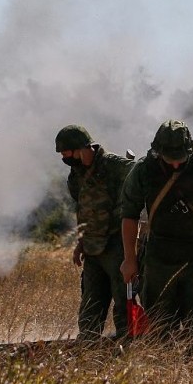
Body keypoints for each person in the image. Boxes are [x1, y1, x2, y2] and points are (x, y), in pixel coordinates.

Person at [119, 119, 193, 332]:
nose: (175, 165)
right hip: (158, 258)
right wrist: (129, 259)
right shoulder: (143, 171)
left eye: (180, 159)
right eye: (169, 159)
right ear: (157, 151)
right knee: (159, 329)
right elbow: (129, 215)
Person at [55, 124, 134, 340]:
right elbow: (82, 210)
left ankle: (129, 351)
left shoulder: (115, 166)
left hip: (116, 246)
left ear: (81, 148)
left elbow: (139, 186)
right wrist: (80, 243)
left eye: (66, 152)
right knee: (91, 305)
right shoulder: (75, 176)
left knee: (123, 304)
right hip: (92, 249)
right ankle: (88, 352)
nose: (64, 158)